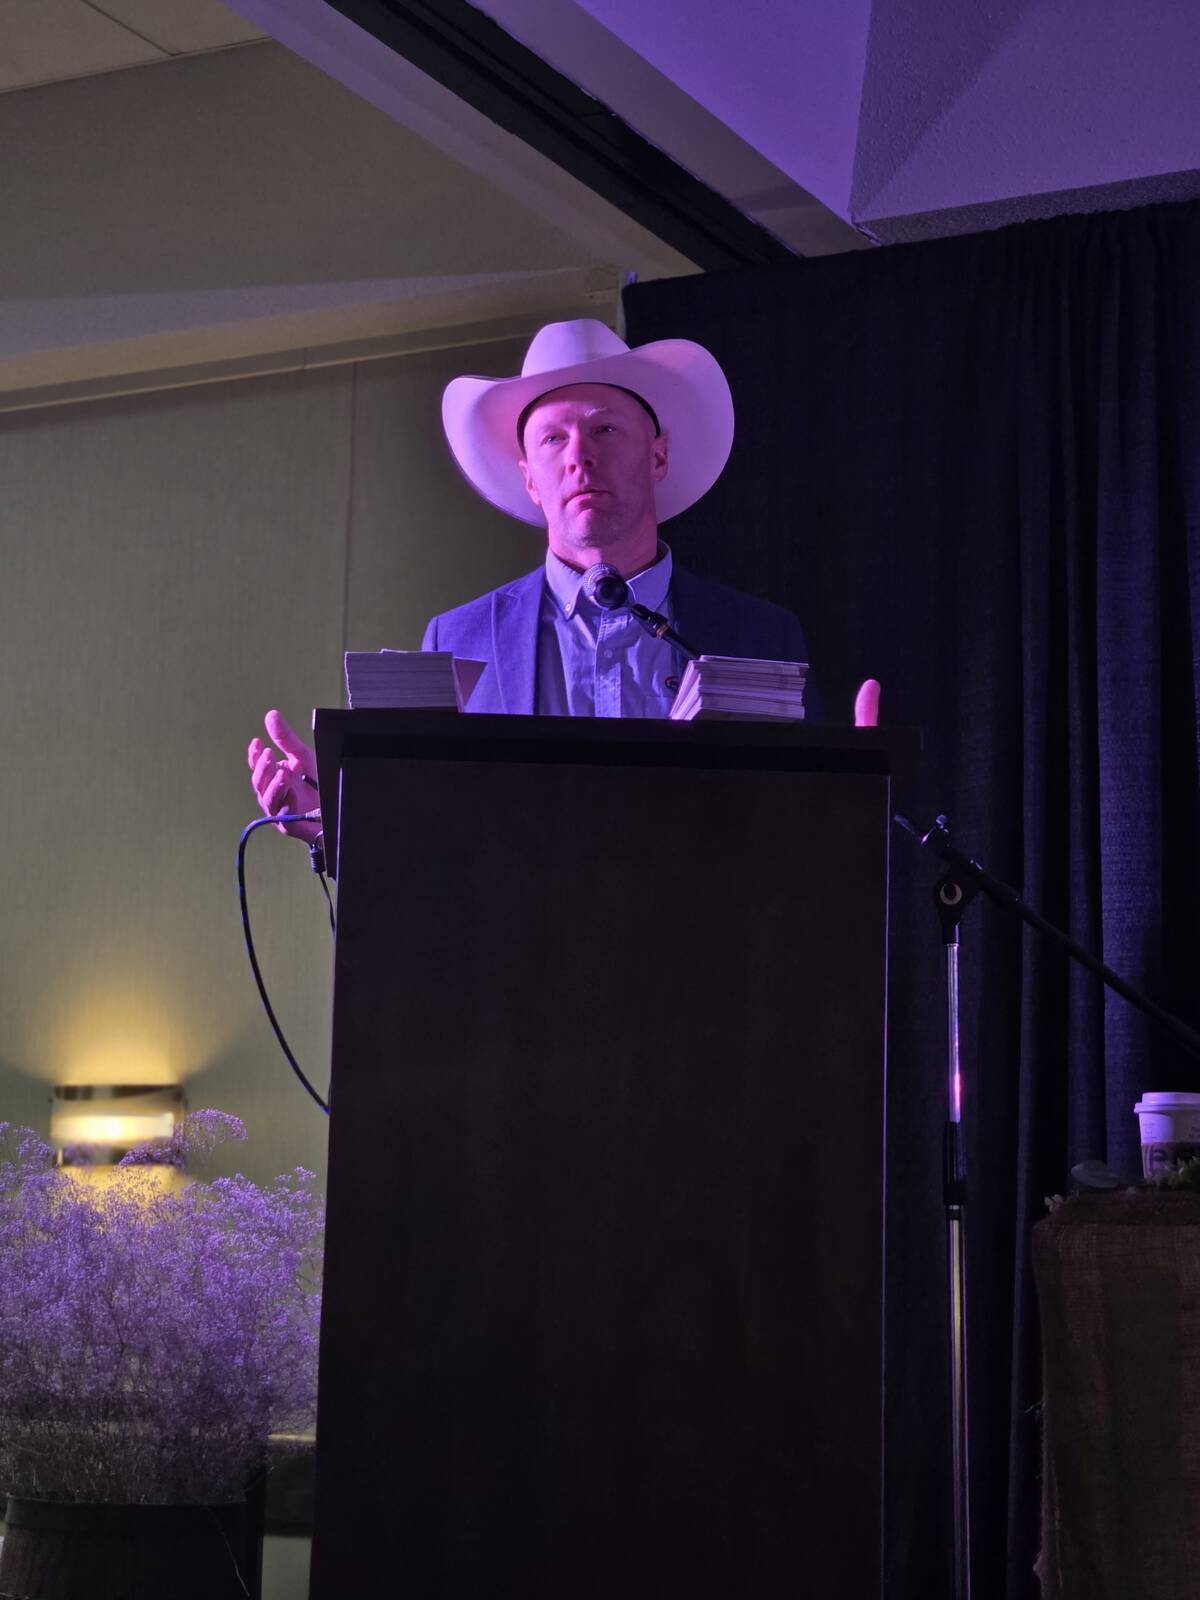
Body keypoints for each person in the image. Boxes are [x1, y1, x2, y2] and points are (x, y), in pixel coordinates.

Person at [248, 319, 879, 840]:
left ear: (657, 454)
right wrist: (336, 822)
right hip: (517, 981)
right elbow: (428, 840)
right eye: (552, 439)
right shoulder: (457, 639)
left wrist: (852, 802)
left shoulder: (760, 638)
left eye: (604, 428)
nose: (579, 455)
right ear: (529, 477)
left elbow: (805, 843)